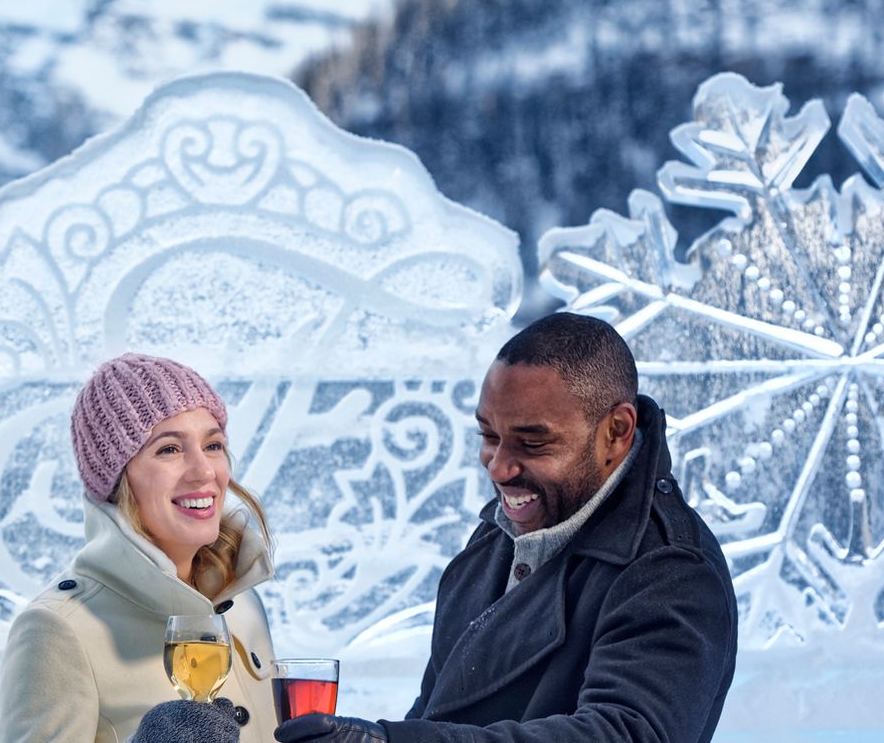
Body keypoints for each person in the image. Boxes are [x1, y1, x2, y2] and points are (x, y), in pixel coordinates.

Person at [276, 313, 737, 743]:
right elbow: (435, 717)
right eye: (488, 436)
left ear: (616, 431)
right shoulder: (497, 537)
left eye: (532, 443)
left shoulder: (671, 571)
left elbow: (622, 733)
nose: (498, 468)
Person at [0, 352, 280, 743]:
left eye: (213, 445)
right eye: (169, 449)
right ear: (119, 480)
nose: (204, 472)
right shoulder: (59, 629)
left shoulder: (240, 600)